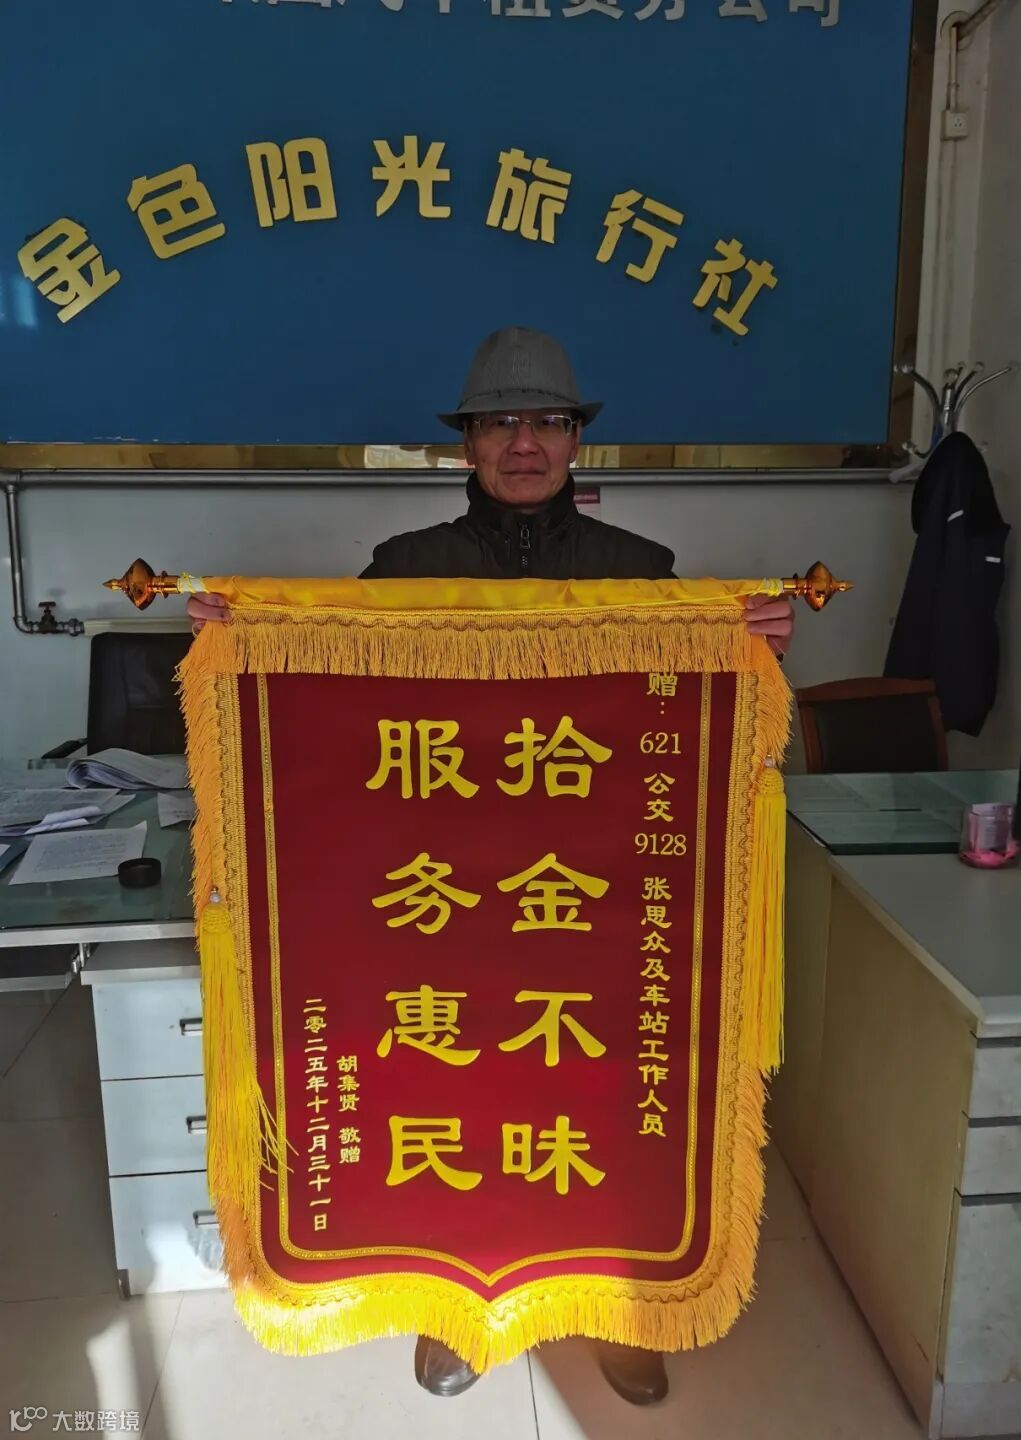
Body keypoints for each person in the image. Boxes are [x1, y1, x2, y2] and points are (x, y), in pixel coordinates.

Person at [187, 326, 794, 1405]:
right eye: (500, 423)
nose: (524, 443)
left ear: (576, 441)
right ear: (466, 445)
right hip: (445, 912)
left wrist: (749, 643)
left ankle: (619, 1309)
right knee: (446, 1098)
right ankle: (457, 1308)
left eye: (547, 422)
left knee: (602, 1111)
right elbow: (332, 717)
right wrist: (243, 640)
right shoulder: (402, 573)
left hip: (592, 914)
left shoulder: (644, 575)